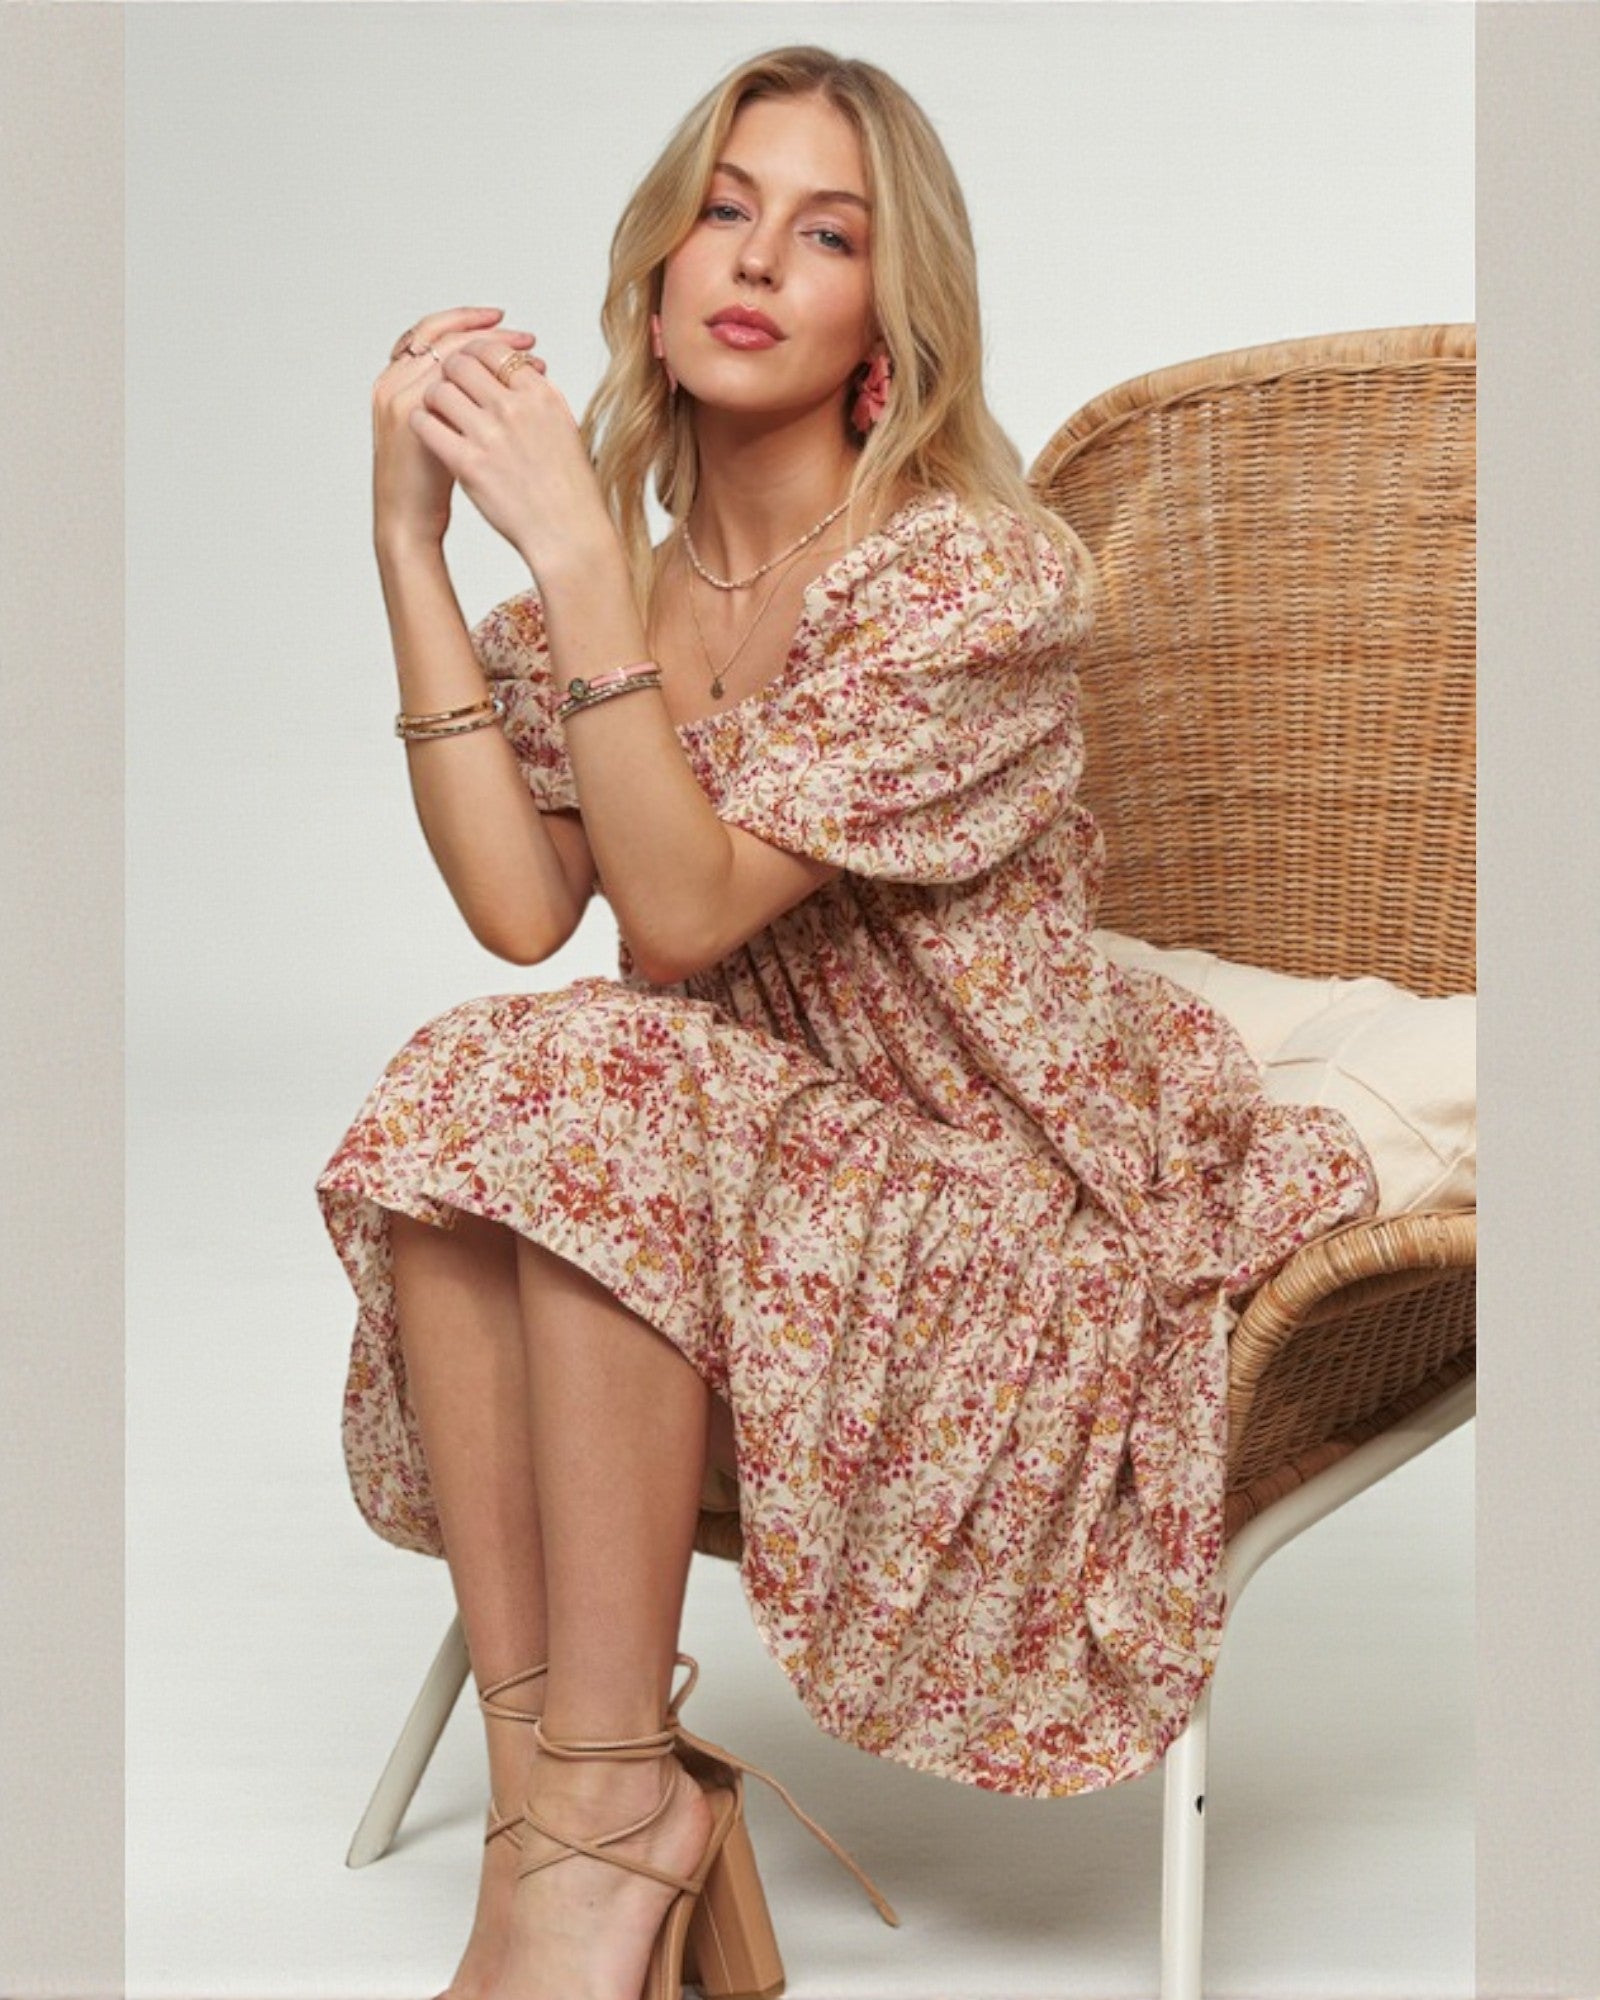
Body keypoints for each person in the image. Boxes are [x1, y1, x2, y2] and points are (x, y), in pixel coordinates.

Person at [316, 43, 1377, 2000]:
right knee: (467, 1075)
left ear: (886, 320)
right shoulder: (601, 605)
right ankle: (563, 1798)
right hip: (717, 1165)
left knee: (593, 1080)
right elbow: (518, 906)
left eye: (824, 235)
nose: (755, 259)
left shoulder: (963, 583)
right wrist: (413, 548)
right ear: (653, 269)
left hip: (996, 1199)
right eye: (723, 208)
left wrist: (563, 553)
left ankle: (600, 1823)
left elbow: (685, 904)